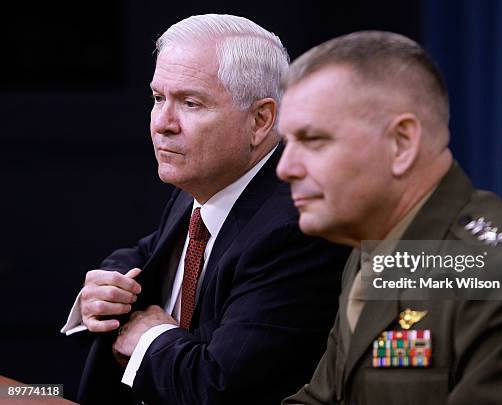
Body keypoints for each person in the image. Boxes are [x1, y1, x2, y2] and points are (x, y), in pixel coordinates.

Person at [276, 31, 502, 404]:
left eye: (313, 140)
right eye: (287, 143)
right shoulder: (372, 249)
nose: (285, 168)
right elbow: (324, 398)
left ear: (401, 143)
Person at [61, 14, 350, 405]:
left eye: (190, 103)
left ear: (260, 120)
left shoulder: (296, 228)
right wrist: (110, 284)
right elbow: (151, 252)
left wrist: (148, 338)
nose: (163, 123)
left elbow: (219, 387)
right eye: (158, 98)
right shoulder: (204, 182)